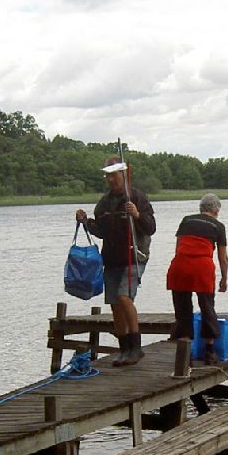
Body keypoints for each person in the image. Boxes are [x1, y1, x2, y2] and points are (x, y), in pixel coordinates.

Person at [75, 156, 157, 366]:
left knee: (123, 296)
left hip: (134, 256)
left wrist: (137, 214)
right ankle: (124, 349)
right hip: (111, 258)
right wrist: (86, 222)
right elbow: (102, 232)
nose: (111, 179)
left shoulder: (137, 197)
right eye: (108, 175)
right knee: (114, 303)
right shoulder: (103, 203)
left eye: (114, 174)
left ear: (124, 174)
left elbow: (151, 228)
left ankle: (136, 348)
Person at [166, 193, 228, 364]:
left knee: (183, 310)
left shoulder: (186, 220)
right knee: (207, 307)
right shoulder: (218, 226)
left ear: (201, 208)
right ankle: (209, 352)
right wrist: (224, 278)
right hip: (202, 267)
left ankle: (186, 353)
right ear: (216, 210)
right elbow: (223, 258)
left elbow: (178, 247)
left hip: (180, 266)